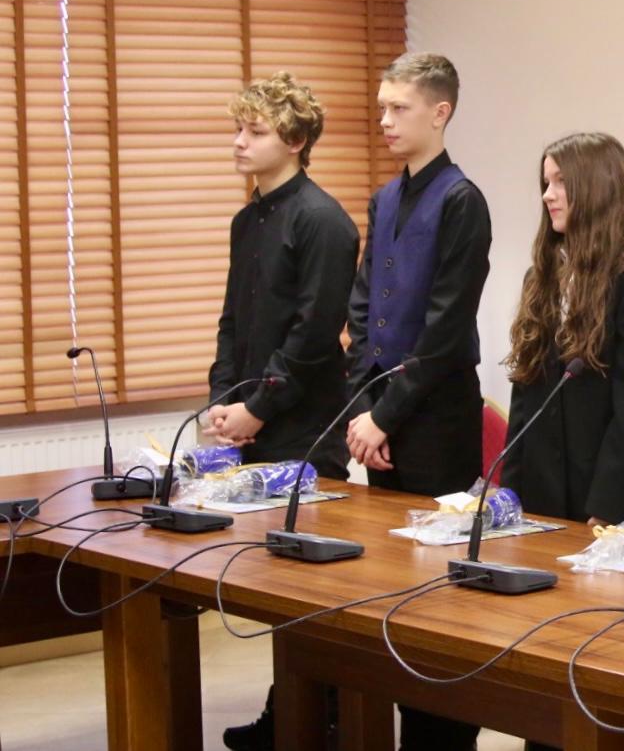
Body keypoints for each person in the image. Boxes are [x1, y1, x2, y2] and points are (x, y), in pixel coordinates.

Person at [345, 51, 491, 750]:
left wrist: (385, 414)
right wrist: (361, 407)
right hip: (382, 415)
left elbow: (444, 326)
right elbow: (363, 304)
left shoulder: (462, 201)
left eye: (398, 108)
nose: (384, 120)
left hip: (435, 417)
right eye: (382, 107)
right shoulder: (383, 198)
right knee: (391, 588)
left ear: (440, 112)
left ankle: (441, 738)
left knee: (438, 593)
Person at [214, 73, 358, 751]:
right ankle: (289, 712)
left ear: (295, 141)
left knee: (307, 586)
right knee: (274, 583)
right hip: (255, 419)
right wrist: (224, 403)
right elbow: (233, 322)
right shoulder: (248, 219)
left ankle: (321, 718)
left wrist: (259, 408)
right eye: (238, 129)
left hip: (304, 427)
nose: (239, 143)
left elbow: (312, 336)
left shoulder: (322, 221)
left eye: (256, 131)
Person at [500, 132, 624, 524]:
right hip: (540, 498)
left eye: (561, 182)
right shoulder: (541, 276)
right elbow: (525, 396)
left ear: (597, 188)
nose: (548, 195)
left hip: (607, 504)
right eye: (546, 182)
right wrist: (509, 494)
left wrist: (605, 509)